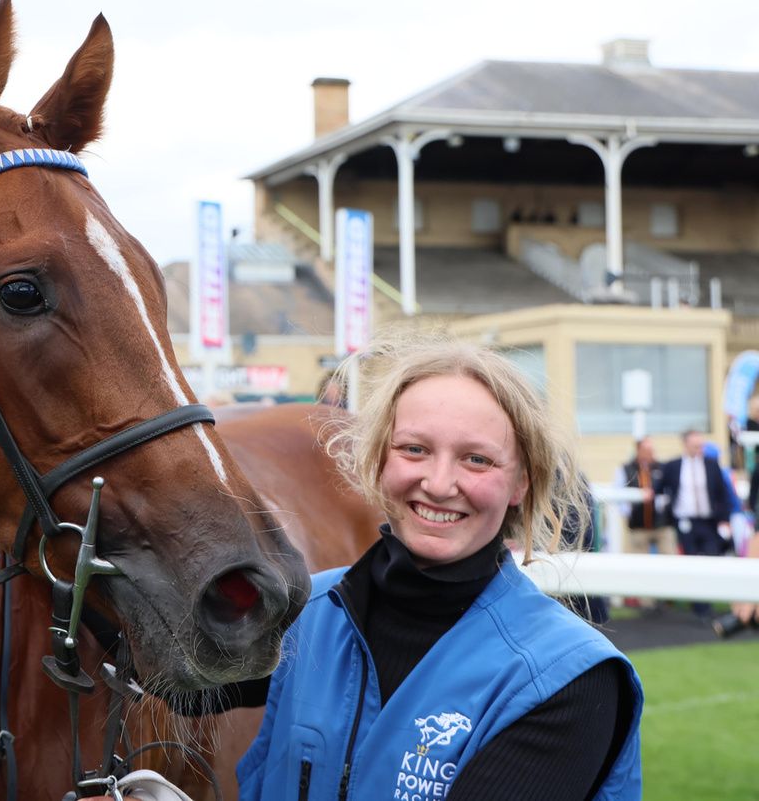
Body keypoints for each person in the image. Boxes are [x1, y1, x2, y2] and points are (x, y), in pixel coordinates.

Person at [227, 331, 641, 801]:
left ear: (521, 484)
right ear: (379, 459)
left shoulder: (571, 677)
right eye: (415, 449)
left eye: (476, 459)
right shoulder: (302, 617)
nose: (440, 483)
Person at [656, 429, 731, 619]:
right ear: (685, 444)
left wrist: (724, 520)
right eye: (695, 445)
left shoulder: (711, 465)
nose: (699, 449)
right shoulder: (673, 466)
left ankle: (708, 600)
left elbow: (722, 494)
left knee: (711, 559)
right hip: (685, 522)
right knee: (691, 561)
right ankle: (700, 608)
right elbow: (659, 488)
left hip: (708, 522)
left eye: (701, 445)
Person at [613, 437, 676, 557]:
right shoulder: (626, 469)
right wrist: (628, 511)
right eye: (646, 450)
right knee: (638, 559)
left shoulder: (662, 468)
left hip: (662, 524)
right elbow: (619, 492)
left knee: (668, 556)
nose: (650, 453)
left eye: (651, 450)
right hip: (638, 525)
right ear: (638, 450)